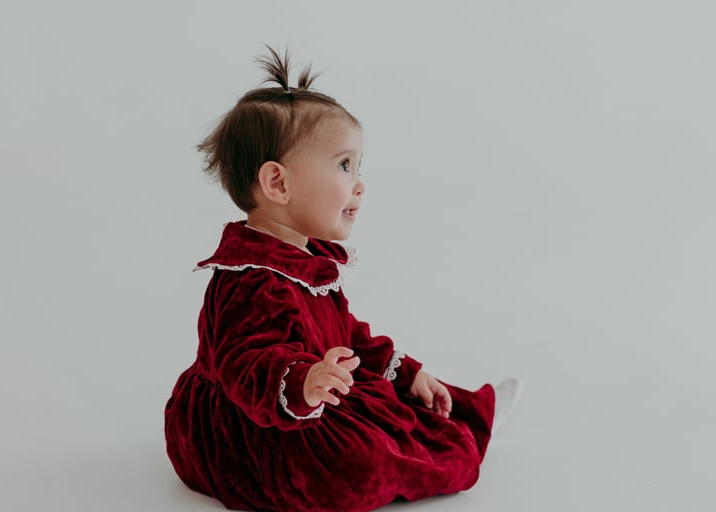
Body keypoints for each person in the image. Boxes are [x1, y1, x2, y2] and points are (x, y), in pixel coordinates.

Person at [164, 47, 522, 512]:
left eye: (358, 166)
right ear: (278, 184)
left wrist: (408, 373)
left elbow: (344, 334)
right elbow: (245, 361)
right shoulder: (249, 278)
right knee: (361, 461)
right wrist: (302, 381)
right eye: (343, 165)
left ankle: (472, 414)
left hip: (313, 391)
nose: (359, 183)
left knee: (397, 401)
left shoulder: (306, 259)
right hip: (250, 428)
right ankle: (452, 440)